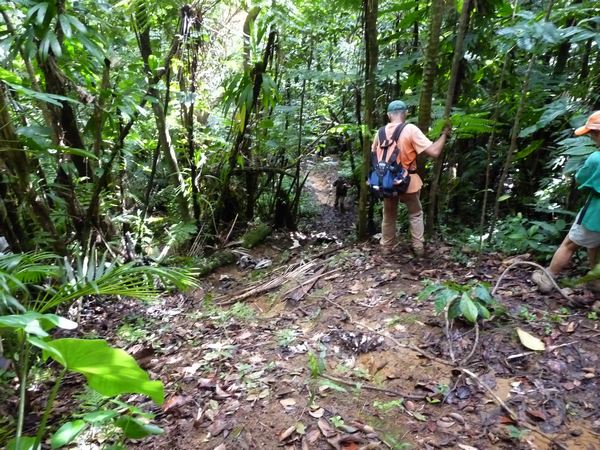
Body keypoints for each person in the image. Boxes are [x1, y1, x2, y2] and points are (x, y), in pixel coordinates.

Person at [532, 111, 600, 294]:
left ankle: (548, 277)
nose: (591, 137)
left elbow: (581, 178)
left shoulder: (595, 158)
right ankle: (596, 281)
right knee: (595, 245)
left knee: (570, 244)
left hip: (595, 211)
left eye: (592, 133)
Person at [372, 100, 450, 256]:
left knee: (388, 214)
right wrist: (444, 135)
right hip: (407, 182)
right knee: (415, 213)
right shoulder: (410, 129)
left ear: (388, 115)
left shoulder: (379, 133)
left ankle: (386, 248)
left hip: (385, 181)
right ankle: (418, 248)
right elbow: (434, 152)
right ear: (406, 113)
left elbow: (374, 157)